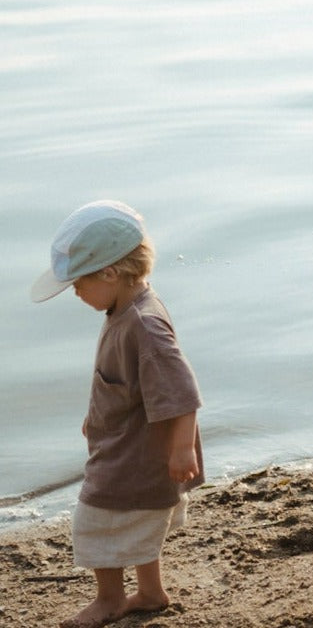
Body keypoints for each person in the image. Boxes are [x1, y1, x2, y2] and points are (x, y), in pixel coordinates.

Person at [31, 200, 204, 628]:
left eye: (78, 283)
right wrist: (99, 416)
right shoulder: (124, 308)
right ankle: (149, 592)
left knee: (94, 520)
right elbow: (127, 383)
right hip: (124, 441)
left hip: (138, 456)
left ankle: (109, 599)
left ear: (109, 273)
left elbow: (182, 392)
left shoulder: (144, 324)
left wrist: (182, 450)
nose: (75, 292)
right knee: (142, 523)